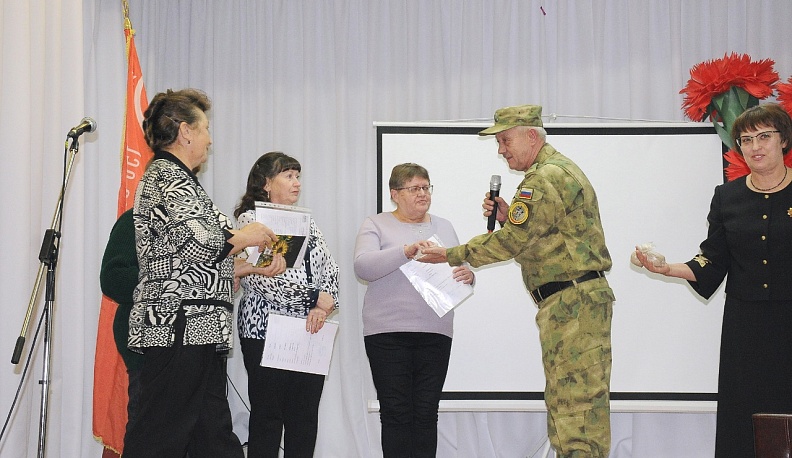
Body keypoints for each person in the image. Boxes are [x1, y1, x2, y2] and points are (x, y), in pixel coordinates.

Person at [418, 105, 615, 457]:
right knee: (570, 403)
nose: (501, 150)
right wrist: (510, 217)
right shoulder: (556, 172)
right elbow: (542, 239)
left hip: (572, 305)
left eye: (505, 140)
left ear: (531, 136)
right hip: (572, 303)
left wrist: (451, 254)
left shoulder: (544, 178)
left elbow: (511, 243)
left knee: (576, 407)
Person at [124, 88, 282, 458]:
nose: (210, 139)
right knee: (159, 434)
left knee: (213, 436)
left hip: (199, 328)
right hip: (175, 325)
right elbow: (198, 243)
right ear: (185, 131)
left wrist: (237, 268)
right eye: (206, 128)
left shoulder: (183, 181)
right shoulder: (167, 175)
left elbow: (189, 256)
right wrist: (246, 235)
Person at [633, 103, 792, 458]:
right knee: (743, 413)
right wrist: (665, 268)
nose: (755, 146)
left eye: (764, 137)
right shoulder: (727, 197)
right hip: (744, 326)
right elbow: (711, 261)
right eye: (746, 140)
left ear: (783, 140)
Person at [354, 163, 475, 458]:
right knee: (396, 412)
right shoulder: (376, 224)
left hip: (435, 332)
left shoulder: (444, 226)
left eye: (425, 187)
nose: (422, 194)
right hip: (388, 333)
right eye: (414, 188)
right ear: (395, 194)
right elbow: (363, 266)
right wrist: (405, 252)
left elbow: (460, 265)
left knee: (426, 413)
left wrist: (469, 275)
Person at [234, 151, 339, 458]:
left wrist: (322, 306)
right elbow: (262, 278)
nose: (297, 183)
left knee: (304, 418)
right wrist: (312, 298)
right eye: (289, 176)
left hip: (309, 329)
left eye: (298, 176)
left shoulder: (307, 221)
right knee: (268, 416)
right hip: (264, 330)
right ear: (267, 183)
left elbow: (330, 269)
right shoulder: (252, 221)